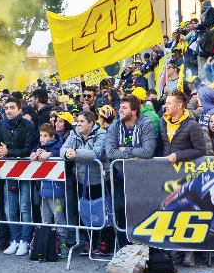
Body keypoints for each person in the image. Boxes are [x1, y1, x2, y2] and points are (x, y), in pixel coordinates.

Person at [159, 90, 208, 268]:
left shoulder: (192, 125)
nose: (165, 105)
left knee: (188, 211)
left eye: (169, 103)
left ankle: (189, 252)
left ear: (179, 105)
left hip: (188, 174)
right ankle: (175, 249)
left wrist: (179, 155)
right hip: (169, 174)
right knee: (172, 210)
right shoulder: (162, 122)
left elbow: (200, 150)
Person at [106, 94, 158, 246]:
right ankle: (123, 245)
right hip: (121, 175)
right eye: (120, 107)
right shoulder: (115, 126)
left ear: (134, 111)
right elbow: (109, 152)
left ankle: (143, 244)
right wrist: (133, 152)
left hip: (142, 176)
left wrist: (125, 150)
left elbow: (148, 151)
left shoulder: (146, 124)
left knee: (142, 208)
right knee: (120, 208)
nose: (120, 110)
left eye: (124, 108)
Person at [61, 110, 108, 255]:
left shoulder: (101, 134)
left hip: (99, 180)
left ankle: (105, 241)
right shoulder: (74, 134)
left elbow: (97, 152)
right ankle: (89, 241)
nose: (78, 124)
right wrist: (67, 154)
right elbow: (63, 149)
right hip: (81, 180)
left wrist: (76, 153)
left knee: (102, 211)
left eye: (81, 121)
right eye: (78, 121)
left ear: (90, 123)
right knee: (85, 212)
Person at [0, 97, 37, 256]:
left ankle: (25, 241)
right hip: (8, 170)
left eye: (12, 107)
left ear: (20, 110)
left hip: (25, 169)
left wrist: (9, 152)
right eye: (6, 108)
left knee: (25, 208)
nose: (8, 110)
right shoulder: (1, 125)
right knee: (10, 209)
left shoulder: (28, 125)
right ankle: (16, 239)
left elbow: (28, 148)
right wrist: (1, 151)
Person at [32, 123, 68, 258]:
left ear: (52, 136)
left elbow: (61, 152)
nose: (42, 138)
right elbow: (32, 150)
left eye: (45, 136)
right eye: (41, 135)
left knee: (59, 218)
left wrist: (50, 153)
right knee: (45, 218)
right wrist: (33, 154)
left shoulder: (58, 144)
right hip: (43, 190)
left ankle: (63, 243)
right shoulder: (39, 147)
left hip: (56, 190)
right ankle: (46, 243)